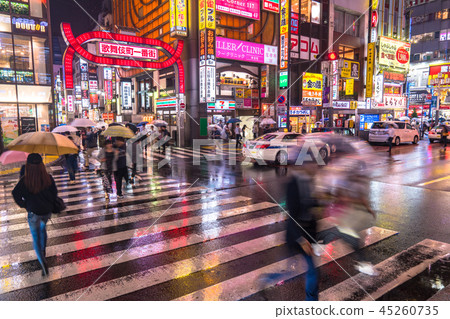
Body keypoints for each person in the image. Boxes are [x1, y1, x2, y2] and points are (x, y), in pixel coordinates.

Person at [12, 153, 58, 276]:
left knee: (36, 237)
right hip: (46, 212)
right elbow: (54, 194)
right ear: (42, 165)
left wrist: (24, 204)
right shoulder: (48, 178)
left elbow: (15, 193)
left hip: (33, 213)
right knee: (43, 230)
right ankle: (43, 251)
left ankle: (42, 262)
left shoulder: (25, 180)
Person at [285, 166, 320, 301]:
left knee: (292, 271)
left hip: (307, 233)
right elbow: (292, 214)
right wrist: (301, 239)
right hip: (297, 235)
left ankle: (269, 278)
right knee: (312, 271)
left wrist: (321, 200)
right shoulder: (293, 184)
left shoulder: (309, 181)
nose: (316, 167)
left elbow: (309, 204)